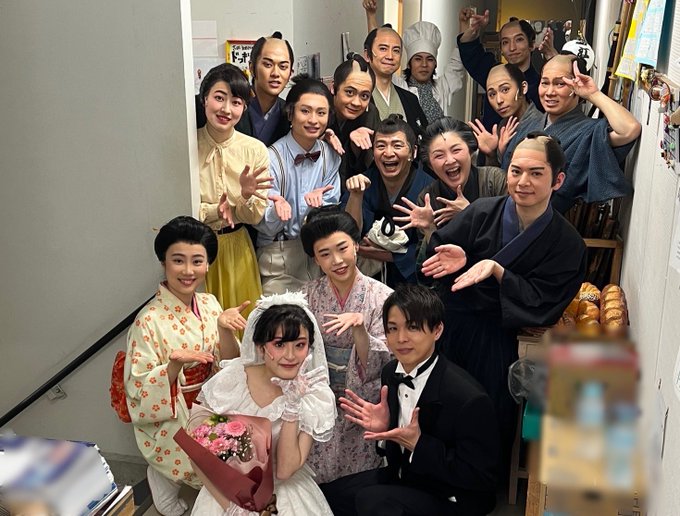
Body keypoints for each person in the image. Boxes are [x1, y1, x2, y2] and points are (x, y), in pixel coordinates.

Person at [422, 133, 587, 471]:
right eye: (516, 171)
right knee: (440, 407)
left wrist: (499, 272)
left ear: (558, 180)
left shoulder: (568, 243)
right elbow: (430, 266)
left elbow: (546, 303)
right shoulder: (481, 212)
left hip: (501, 339)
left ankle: (479, 481)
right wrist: (458, 260)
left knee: (489, 413)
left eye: (536, 173)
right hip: (454, 329)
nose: (523, 182)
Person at [333, 285, 499, 516]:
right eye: (393, 328)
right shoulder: (391, 372)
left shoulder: (469, 398)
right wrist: (386, 429)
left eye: (412, 327)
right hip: (407, 478)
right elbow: (394, 451)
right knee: (331, 495)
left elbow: (482, 477)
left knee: (372, 501)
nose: (401, 338)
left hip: (451, 495)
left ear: (437, 330)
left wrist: (420, 445)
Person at [124, 216, 245, 516]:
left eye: (197, 261)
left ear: (208, 265)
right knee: (194, 460)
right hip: (174, 408)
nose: (188, 271)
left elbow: (230, 363)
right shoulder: (148, 320)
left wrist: (224, 329)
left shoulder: (210, 303)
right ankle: (162, 478)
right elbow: (137, 385)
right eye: (178, 260)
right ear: (163, 262)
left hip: (211, 399)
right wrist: (173, 367)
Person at [192, 293, 337, 515]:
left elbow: (286, 470)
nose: (291, 356)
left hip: (285, 496)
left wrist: (292, 407)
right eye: (279, 344)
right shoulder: (233, 379)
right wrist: (231, 506)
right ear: (260, 347)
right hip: (226, 495)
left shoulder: (314, 394)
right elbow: (197, 453)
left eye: (300, 345)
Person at [298, 207, 393, 487]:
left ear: (356, 245)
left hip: (360, 400)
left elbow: (382, 362)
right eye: (325, 254)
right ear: (315, 259)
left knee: (357, 482)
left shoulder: (383, 297)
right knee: (317, 477)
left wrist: (360, 329)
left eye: (342, 248)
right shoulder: (306, 295)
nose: (337, 261)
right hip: (318, 396)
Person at [500, 54, 641, 213]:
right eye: (545, 83)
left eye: (560, 84)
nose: (549, 92)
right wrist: (496, 152)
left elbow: (630, 129)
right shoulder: (528, 124)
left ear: (575, 87)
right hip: (509, 213)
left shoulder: (588, 131)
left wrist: (593, 94)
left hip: (551, 219)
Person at [254, 75, 341, 295]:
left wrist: (318, 211)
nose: (313, 120)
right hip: (278, 255)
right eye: (305, 111)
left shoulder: (330, 156)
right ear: (290, 113)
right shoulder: (270, 158)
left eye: (321, 113)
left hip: (319, 254)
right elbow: (263, 225)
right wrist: (277, 212)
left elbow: (332, 214)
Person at [197, 64, 271, 319]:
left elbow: (255, 216)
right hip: (195, 250)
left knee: (242, 324)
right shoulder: (187, 145)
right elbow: (179, 208)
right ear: (204, 98)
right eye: (219, 98)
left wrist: (245, 198)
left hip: (237, 250)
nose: (226, 109)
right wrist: (215, 211)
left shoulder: (255, 150)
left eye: (236, 102)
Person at [344, 114, 433, 286]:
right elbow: (349, 234)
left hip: (414, 284)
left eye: (397, 145)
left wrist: (389, 256)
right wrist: (356, 195)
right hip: (367, 280)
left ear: (413, 152)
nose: (388, 153)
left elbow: (434, 245)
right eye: (380, 146)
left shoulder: (429, 188)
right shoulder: (364, 182)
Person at [393, 117, 506, 249]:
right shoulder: (428, 199)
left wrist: (470, 213)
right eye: (439, 155)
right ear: (430, 165)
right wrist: (429, 228)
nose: (450, 160)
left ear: (470, 151)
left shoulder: (495, 180)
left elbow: (510, 238)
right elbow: (430, 259)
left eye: (456, 150)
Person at [363, 1, 465, 121]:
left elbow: (456, 64)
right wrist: (371, 15)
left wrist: (464, 26)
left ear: (435, 63)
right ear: (409, 63)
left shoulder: (441, 87)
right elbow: (376, 49)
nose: (424, 64)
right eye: (418, 59)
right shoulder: (399, 85)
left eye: (430, 59)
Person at [458, 9, 544, 131]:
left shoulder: (542, 86)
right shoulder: (494, 74)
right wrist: (470, 28)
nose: (512, 48)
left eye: (519, 39)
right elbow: (471, 54)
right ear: (501, 49)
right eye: (505, 42)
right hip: (491, 141)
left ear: (532, 44)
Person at [361, 21, 428, 138]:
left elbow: (425, 138)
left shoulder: (410, 99)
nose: (390, 56)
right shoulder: (357, 98)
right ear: (367, 55)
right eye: (383, 49)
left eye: (396, 50)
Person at [469, 63, 543, 165]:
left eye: (505, 90)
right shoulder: (504, 124)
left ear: (523, 88)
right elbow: (496, 174)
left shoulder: (539, 127)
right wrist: (492, 154)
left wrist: (504, 155)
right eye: (492, 94)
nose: (499, 100)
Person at [328, 53, 381, 186]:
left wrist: (356, 149)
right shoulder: (319, 108)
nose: (356, 103)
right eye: (350, 92)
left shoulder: (370, 113)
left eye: (364, 96)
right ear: (333, 88)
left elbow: (373, 169)